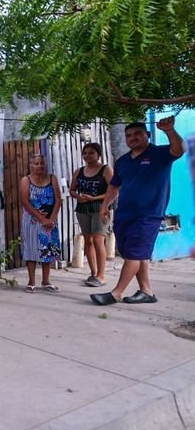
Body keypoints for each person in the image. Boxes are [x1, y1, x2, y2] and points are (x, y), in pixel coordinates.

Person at [91, 117, 185, 306]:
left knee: (135, 253)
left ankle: (116, 293)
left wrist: (169, 131)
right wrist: (104, 206)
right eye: (128, 136)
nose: (132, 138)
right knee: (135, 253)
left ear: (147, 135)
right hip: (125, 214)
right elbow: (114, 187)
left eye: (137, 134)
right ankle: (146, 291)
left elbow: (179, 149)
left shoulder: (160, 154)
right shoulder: (123, 162)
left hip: (149, 215)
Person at [69, 143, 113, 287]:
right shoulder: (79, 171)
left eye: (91, 153)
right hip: (83, 209)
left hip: (100, 208)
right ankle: (93, 273)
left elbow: (113, 191)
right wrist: (78, 196)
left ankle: (101, 276)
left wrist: (94, 198)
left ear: (98, 154)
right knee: (88, 241)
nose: (87, 156)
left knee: (98, 241)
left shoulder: (106, 170)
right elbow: (72, 190)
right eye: (85, 153)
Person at [19, 153, 62, 293]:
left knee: (47, 250)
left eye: (42, 163)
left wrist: (51, 219)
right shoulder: (26, 180)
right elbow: (25, 202)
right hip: (32, 221)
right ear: (31, 165)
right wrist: (42, 219)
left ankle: (46, 280)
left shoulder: (52, 178)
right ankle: (31, 281)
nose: (39, 166)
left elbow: (58, 200)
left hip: (50, 221)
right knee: (31, 249)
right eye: (36, 163)